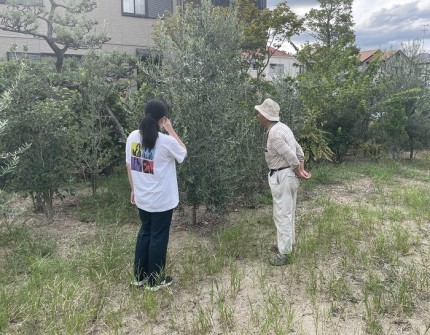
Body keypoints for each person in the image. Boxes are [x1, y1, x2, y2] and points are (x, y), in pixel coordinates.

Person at [126, 100, 187, 290]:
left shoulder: (133, 137)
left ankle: (139, 276)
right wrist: (170, 129)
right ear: (162, 119)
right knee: (158, 237)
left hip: (142, 197)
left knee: (145, 233)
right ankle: (154, 280)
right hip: (161, 200)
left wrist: (134, 189)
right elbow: (183, 153)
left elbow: (129, 165)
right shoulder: (166, 141)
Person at [255, 98, 311, 266]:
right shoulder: (284, 128)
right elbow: (299, 151)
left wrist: (297, 170)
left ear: (265, 116)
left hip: (283, 176)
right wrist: (300, 170)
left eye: (259, 112)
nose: (257, 115)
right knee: (287, 212)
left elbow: (292, 157)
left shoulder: (274, 134)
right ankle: (287, 244)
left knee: (282, 214)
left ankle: (284, 253)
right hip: (288, 176)